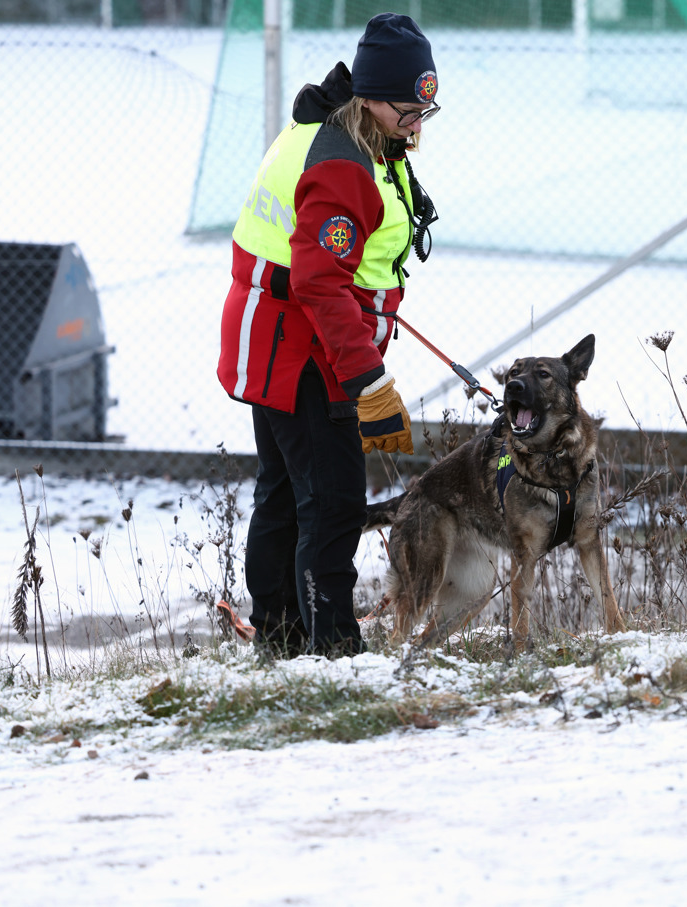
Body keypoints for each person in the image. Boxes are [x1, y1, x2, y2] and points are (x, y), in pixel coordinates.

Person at [217, 13, 439, 657]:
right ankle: (333, 650)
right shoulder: (343, 165)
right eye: (408, 106)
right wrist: (368, 381)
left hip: (283, 340)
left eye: (428, 105)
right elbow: (319, 280)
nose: (418, 119)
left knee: (286, 494)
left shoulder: (343, 129)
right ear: (369, 97)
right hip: (306, 352)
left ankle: (283, 639)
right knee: (334, 502)